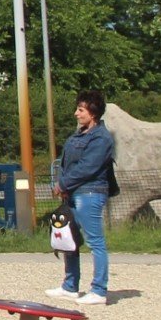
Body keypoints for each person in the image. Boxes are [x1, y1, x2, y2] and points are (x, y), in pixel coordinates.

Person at [49, 89, 116, 307]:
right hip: (75, 193)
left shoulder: (101, 138)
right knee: (70, 239)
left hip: (90, 193)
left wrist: (63, 184)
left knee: (95, 241)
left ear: (93, 112)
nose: (76, 113)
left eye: (81, 109)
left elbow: (88, 167)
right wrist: (62, 185)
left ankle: (99, 289)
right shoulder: (80, 134)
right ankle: (70, 286)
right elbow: (67, 162)